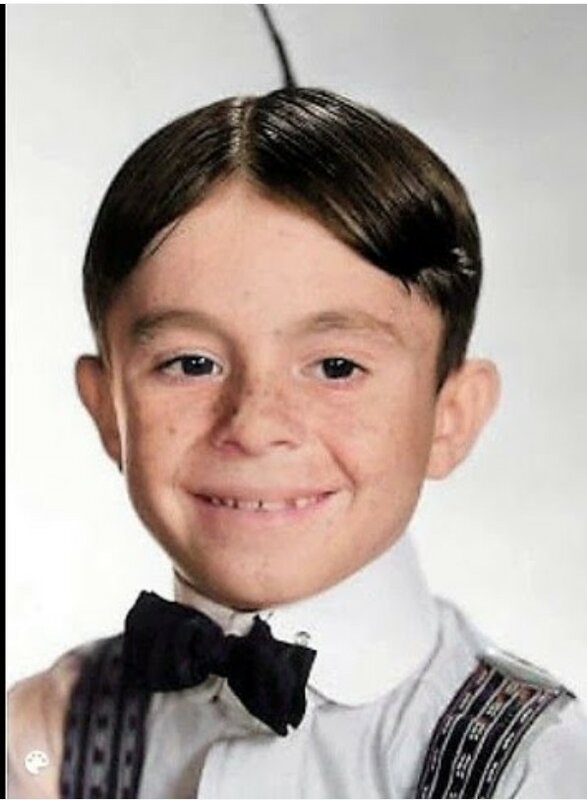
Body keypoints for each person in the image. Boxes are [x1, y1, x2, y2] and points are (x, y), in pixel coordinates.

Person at [8, 87, 587, 799]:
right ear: (106, 409)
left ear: (450, 416)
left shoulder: (538, 767)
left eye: (336, 367)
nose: (253, 426)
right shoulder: (41, 734)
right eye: (191, 363)